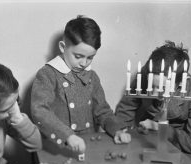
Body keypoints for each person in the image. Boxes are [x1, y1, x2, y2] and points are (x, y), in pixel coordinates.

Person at [30, 15, 131, 154]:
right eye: (78, 56)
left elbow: (102, 111)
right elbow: (39, 111)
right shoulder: (47, 74)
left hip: (88, 143)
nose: (84, 63)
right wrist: (67, 136)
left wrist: (117, 130)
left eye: (90, 57)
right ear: (62, 47)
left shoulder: (92, 76)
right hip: (58, 146)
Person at [115, 41, 191, 159]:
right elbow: (125, 110)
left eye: (162, 88)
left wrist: (160, 128)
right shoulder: (144, 77)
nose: (154, 94)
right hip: (148, 136)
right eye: (151, 85)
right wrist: (122, 131)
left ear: (180, 82)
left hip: (180, 144)